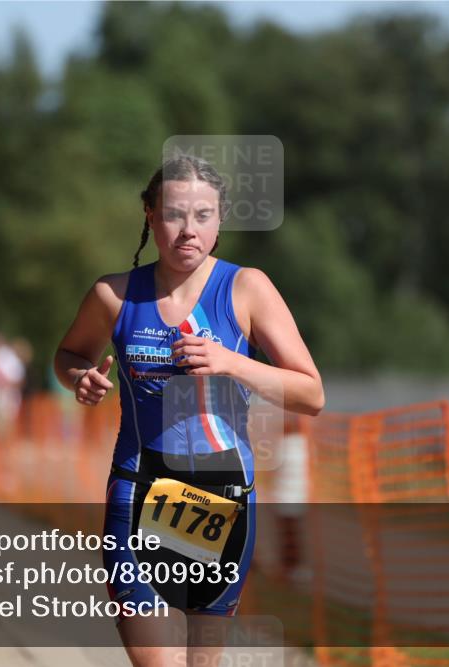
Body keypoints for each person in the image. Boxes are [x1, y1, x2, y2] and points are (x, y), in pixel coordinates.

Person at [54, 155, 324, 667]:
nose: (188, 230)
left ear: (220, 221)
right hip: (137, 488)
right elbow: (69, 355)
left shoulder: (247, 289)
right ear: (150, 215)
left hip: (220, 496)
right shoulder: (113, 295)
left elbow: (311, 394)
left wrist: (232, 363)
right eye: (175, 214)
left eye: (203, 215)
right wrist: (80, 379)